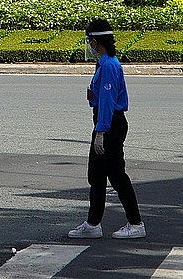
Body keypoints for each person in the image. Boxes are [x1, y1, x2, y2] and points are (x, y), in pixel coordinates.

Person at [68, 19, 146, 239]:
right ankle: (93, 223)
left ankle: (135, 222)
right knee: (96, 175)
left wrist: (101, 132)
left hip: (110, 123)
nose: (89, 46)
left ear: (96, 42)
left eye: (90, 41)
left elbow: (108, 101)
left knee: (117, 175)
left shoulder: (110, 65)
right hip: (105, 122)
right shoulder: (104, 62)